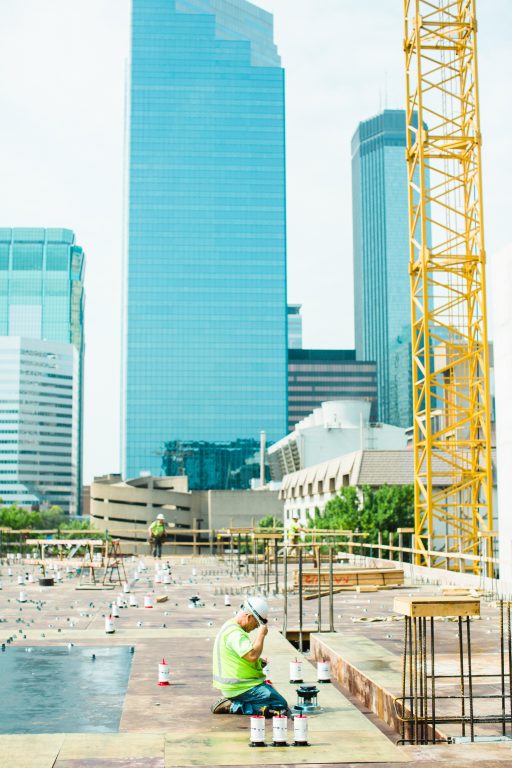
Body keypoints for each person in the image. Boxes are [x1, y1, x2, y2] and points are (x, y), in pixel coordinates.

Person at [211, 596, 288, 716]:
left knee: (273, 699)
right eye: (256, 624)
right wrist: (261, 635)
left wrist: (258, 662)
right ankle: (234, 706)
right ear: (249, 617)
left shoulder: (230, 626)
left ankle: (237, 701)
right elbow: (252, 655)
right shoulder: (235, 633)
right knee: (279, 705)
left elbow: (241, 656)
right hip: (241, 687)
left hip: (237, 686)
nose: (255, 628)